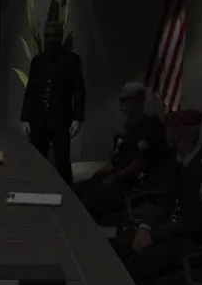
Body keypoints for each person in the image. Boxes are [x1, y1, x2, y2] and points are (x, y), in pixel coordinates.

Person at [109, 107, 202, 285]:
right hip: (172, 231)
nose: (166, 134)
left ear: (179, 135)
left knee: (136, 265)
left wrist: (154, 236)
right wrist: (146, 227)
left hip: (194, 242)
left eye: (169, 130)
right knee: (115, 246)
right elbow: (167, 202)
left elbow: (195, 221)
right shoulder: (178, 162)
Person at [72, 84, 168, 225]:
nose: (120, 104)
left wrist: (113, 178)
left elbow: (137, 166)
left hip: (132, 183)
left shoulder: (148, 128)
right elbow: (118, 158)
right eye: (120, 100)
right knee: (74, 190)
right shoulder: (129, 125)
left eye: (124, 100)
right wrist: (99, 176)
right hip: (117, 175)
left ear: (138, 100)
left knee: (85, 204)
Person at [21, 21, 85, 184]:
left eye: (54, 36)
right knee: (36, 159)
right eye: (47, 36)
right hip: (38, 119)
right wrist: (25, 117)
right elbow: (30, 90)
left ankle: (68, 193)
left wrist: (77, 118)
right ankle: (36, 188)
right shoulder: (38, 61)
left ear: (61, 37)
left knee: (62, 162)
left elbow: (79, 89)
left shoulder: (71, 60)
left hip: (61, 119)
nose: (50, 39)